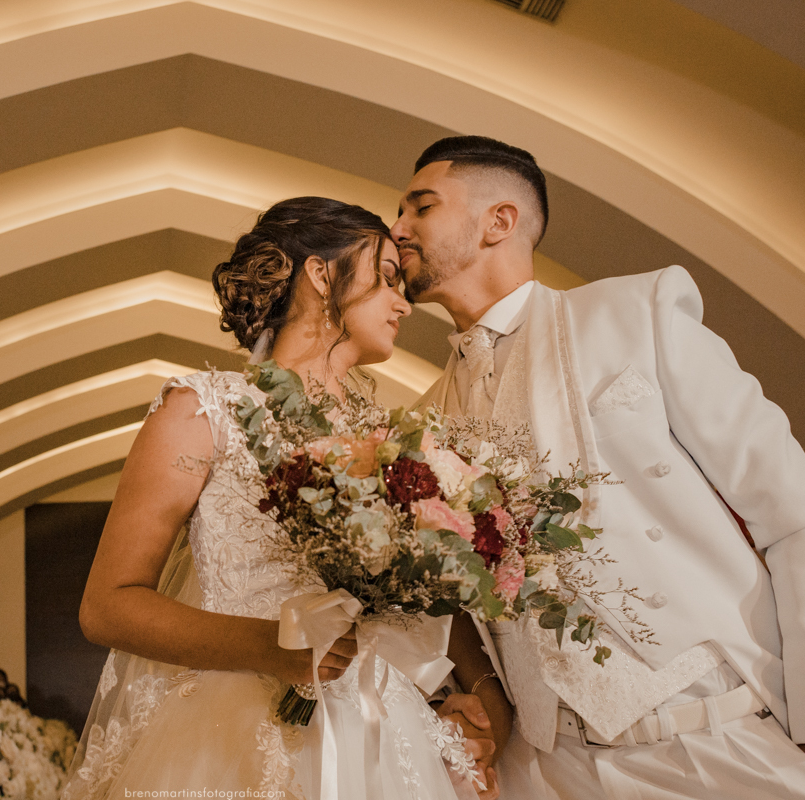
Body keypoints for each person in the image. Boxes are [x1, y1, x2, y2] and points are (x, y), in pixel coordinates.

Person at [390, 135, 805, 799]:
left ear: (500, 221)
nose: (397, 228)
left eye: (421, 207)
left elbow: (790, 511)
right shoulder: (418, 424)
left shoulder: (636, 313)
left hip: (711, 738)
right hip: (547, 771)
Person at [63, 197, 490, 800]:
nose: (403, 302)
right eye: (387, 277)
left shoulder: (395, 442)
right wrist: (277, 649)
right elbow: (108, 606)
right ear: (321, 274)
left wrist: (468, 694)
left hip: (382, 729)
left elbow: (425, 598)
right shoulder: (203, 410)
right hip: (229, 729)